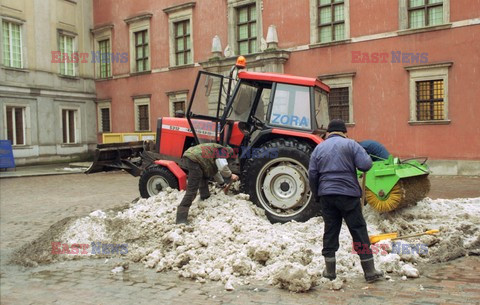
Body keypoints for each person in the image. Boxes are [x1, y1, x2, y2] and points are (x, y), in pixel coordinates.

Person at [308, 119, 384, 283]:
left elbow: (312, 174)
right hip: (348, 195)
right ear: (344, 132)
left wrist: (317, 195)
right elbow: (365, 165)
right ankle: (369, 271)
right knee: (358, 230)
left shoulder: (319, 148)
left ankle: (329, 271)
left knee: (330, 231)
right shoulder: (351, 145)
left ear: (328, 132)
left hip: (327, 196)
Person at [176, 142, 239, 224]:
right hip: (194, 160)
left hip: (191, 157)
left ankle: (205, 197)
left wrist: (222, 185)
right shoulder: (222, 150)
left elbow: (215, 172)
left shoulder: (214, 151)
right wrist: (230, 175)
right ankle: (181, 218)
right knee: (192, 191)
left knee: (204, 177)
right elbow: (223, 167)